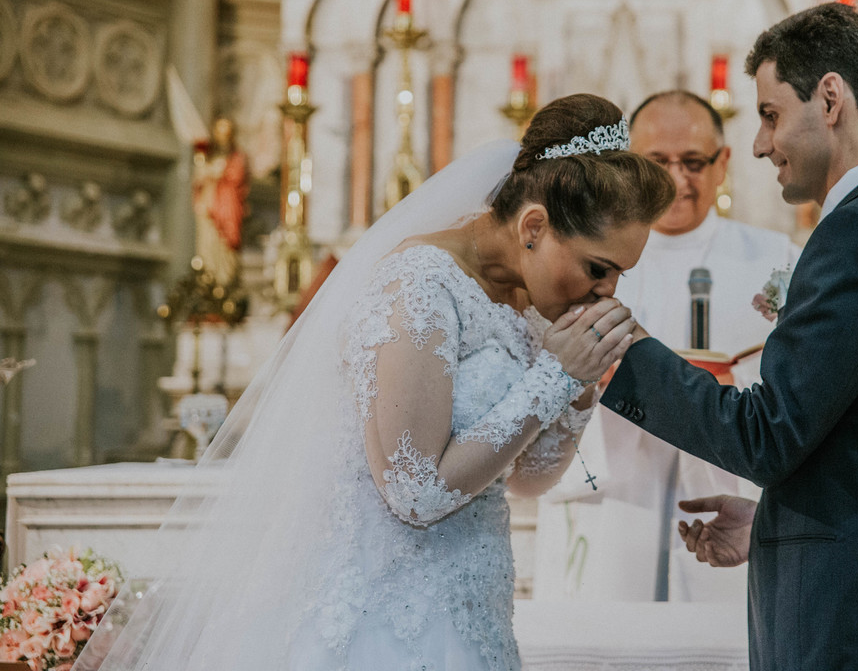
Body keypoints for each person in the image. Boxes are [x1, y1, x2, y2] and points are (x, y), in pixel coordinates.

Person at [75, 94, 675, 671]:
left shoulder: (526, 301)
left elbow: (529, 479)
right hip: (384, 617)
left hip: (474, 614)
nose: (607, 291)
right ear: (534, 226)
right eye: (598, 269)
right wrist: (552, 375)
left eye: (618, 275)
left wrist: (579, 386)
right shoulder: (418, 285)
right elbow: (414, 494)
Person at [601, 4, 858, 669]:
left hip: (855, 630)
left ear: (831, 98)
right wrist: (779, 526)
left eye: (771, 114)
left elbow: (766, 434)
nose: (760, 144)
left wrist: (620, 349)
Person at [535, 91, 799, 603]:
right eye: (658, 162)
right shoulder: (585, 257)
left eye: (694, 163)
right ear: (629, 165)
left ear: (723, 163)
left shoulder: (776, 261)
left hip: (725, 492)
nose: (678, 179)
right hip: (613, 489)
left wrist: (726, 388)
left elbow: (805, 382)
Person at [191, 116, 249, 285]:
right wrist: (203, 174)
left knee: (225, 248)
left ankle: (224, 282)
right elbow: (198, 181)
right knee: (207, 243)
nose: (222, 137)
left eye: (226, 133)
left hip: (226, 208)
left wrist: (218, 173)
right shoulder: (209, 156)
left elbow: (237, 177)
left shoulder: (237, 157)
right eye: (219, 132)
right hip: (209, 206)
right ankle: (208, 278)